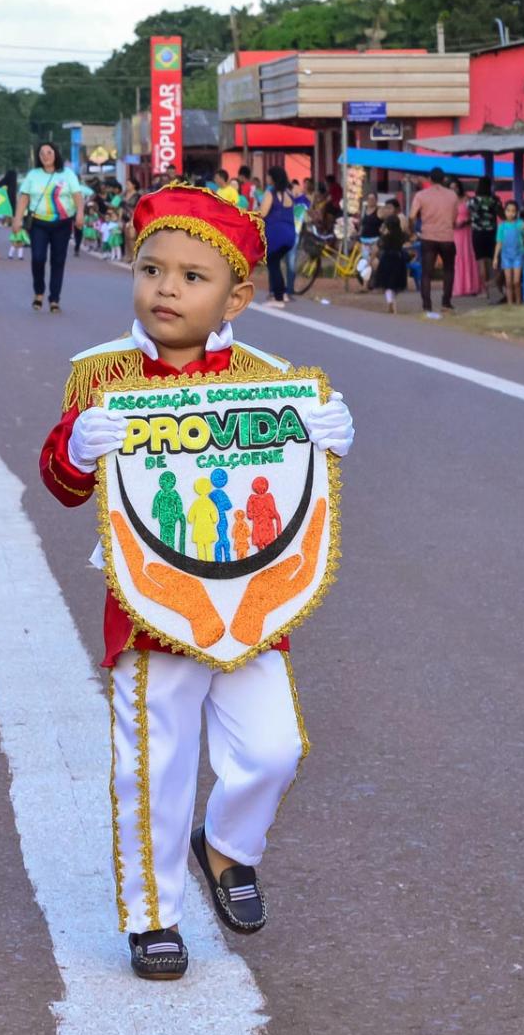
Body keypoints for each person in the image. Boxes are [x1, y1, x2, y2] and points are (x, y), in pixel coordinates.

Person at [38, 181, 355, 980]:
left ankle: (226, 847)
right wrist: (78, 445)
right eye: (151, 270)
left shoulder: (268, 377)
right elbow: (64, 484)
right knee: (153, 764)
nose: (166, 288)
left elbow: (295, 496)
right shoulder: (99, 375)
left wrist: (330, 439)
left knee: (276, 750)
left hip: (252, 605)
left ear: (237, 295)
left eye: (192, 275)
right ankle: (153, 918)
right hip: (148, 608)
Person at [12, 142, 84, 313]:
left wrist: (80, 214)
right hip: (38, 223)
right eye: (42, 153)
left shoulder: (67, 174)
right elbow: (24, 198)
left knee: (58, 261)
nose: (45, 156)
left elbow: (77, 196)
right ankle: (39, 292)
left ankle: (54, 299)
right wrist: (17, 219)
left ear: (56, 154)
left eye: (49, 152)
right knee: (38, 258)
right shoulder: (33, 175)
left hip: (62, 223)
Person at [409, 167, 458, 319]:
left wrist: (412, 231)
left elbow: (411, 216)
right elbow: (454, 218)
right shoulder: (452, 195)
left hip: (428, 236)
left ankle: (427, 305)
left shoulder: (421, 195)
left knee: (426, 272)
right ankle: (446, 302)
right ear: (444, 179)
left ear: (430, 179)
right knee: (449, 270)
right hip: (447, 237)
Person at [260, 165, 295, 308]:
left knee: (272, 263)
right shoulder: (288, 194)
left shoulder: (271, 193)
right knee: (277, 263)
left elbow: (262, 213)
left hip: (276, 234)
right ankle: (283, 292)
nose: (267, 178)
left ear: (273, 178)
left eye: (268, 176)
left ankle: (278, 297)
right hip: (290, 234)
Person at [468, 176, 503, 299]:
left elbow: (468, 214)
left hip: (477, 233)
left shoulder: (473, 201)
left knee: (481, 261)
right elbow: (502, 215)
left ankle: (485, 291)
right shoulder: (495, 200)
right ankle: (498, 288)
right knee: (494, 260)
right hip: (492, 232)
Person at [492, 200, 524, 305]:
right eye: (508, 210)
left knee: (517, 282)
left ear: (517, 212)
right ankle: (510, 304)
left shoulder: (520, 224)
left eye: (513, 211)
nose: (511, 213)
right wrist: (495, 257)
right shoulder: (502, 226)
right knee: (508, 283)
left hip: (518, 255)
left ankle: (518, 303)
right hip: (506, 257)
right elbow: (499, 242)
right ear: (505, 211)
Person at [451, 178, 480, 297]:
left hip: (466, 231)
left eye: (455, 187)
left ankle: (471, 286)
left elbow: (475, 215)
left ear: (460, 187)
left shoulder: (467, 199)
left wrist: (466, 221)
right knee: (457, 257)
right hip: (455, 232)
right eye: (451, 188)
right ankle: (459, 287)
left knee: (468, 256)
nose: (453, 190)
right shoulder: (449, 201)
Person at [374, 214, 408, 314]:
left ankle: (390, 302)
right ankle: (394, 302)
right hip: (398, 259)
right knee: (396, 283)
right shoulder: (402, 235)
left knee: (387, 283)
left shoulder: (386, 237)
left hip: (387, 259)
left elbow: (379, 246)